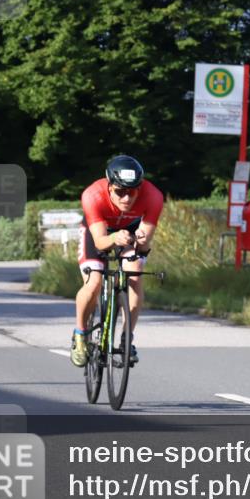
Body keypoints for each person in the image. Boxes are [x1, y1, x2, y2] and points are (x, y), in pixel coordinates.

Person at [70, 155, 164, 367]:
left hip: (129, 231)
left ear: (140, 188)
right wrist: (114, 238)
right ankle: (79, 333)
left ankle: (127, 337)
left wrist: (141, 242)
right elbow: (101, 242)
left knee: (135, 269)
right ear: (109, 187)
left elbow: (145, 247)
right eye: (120, 192)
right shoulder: (92, 195)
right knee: (94, 282)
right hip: (99, 232)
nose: (126, 198)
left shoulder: (154, 197)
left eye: (132, 192)